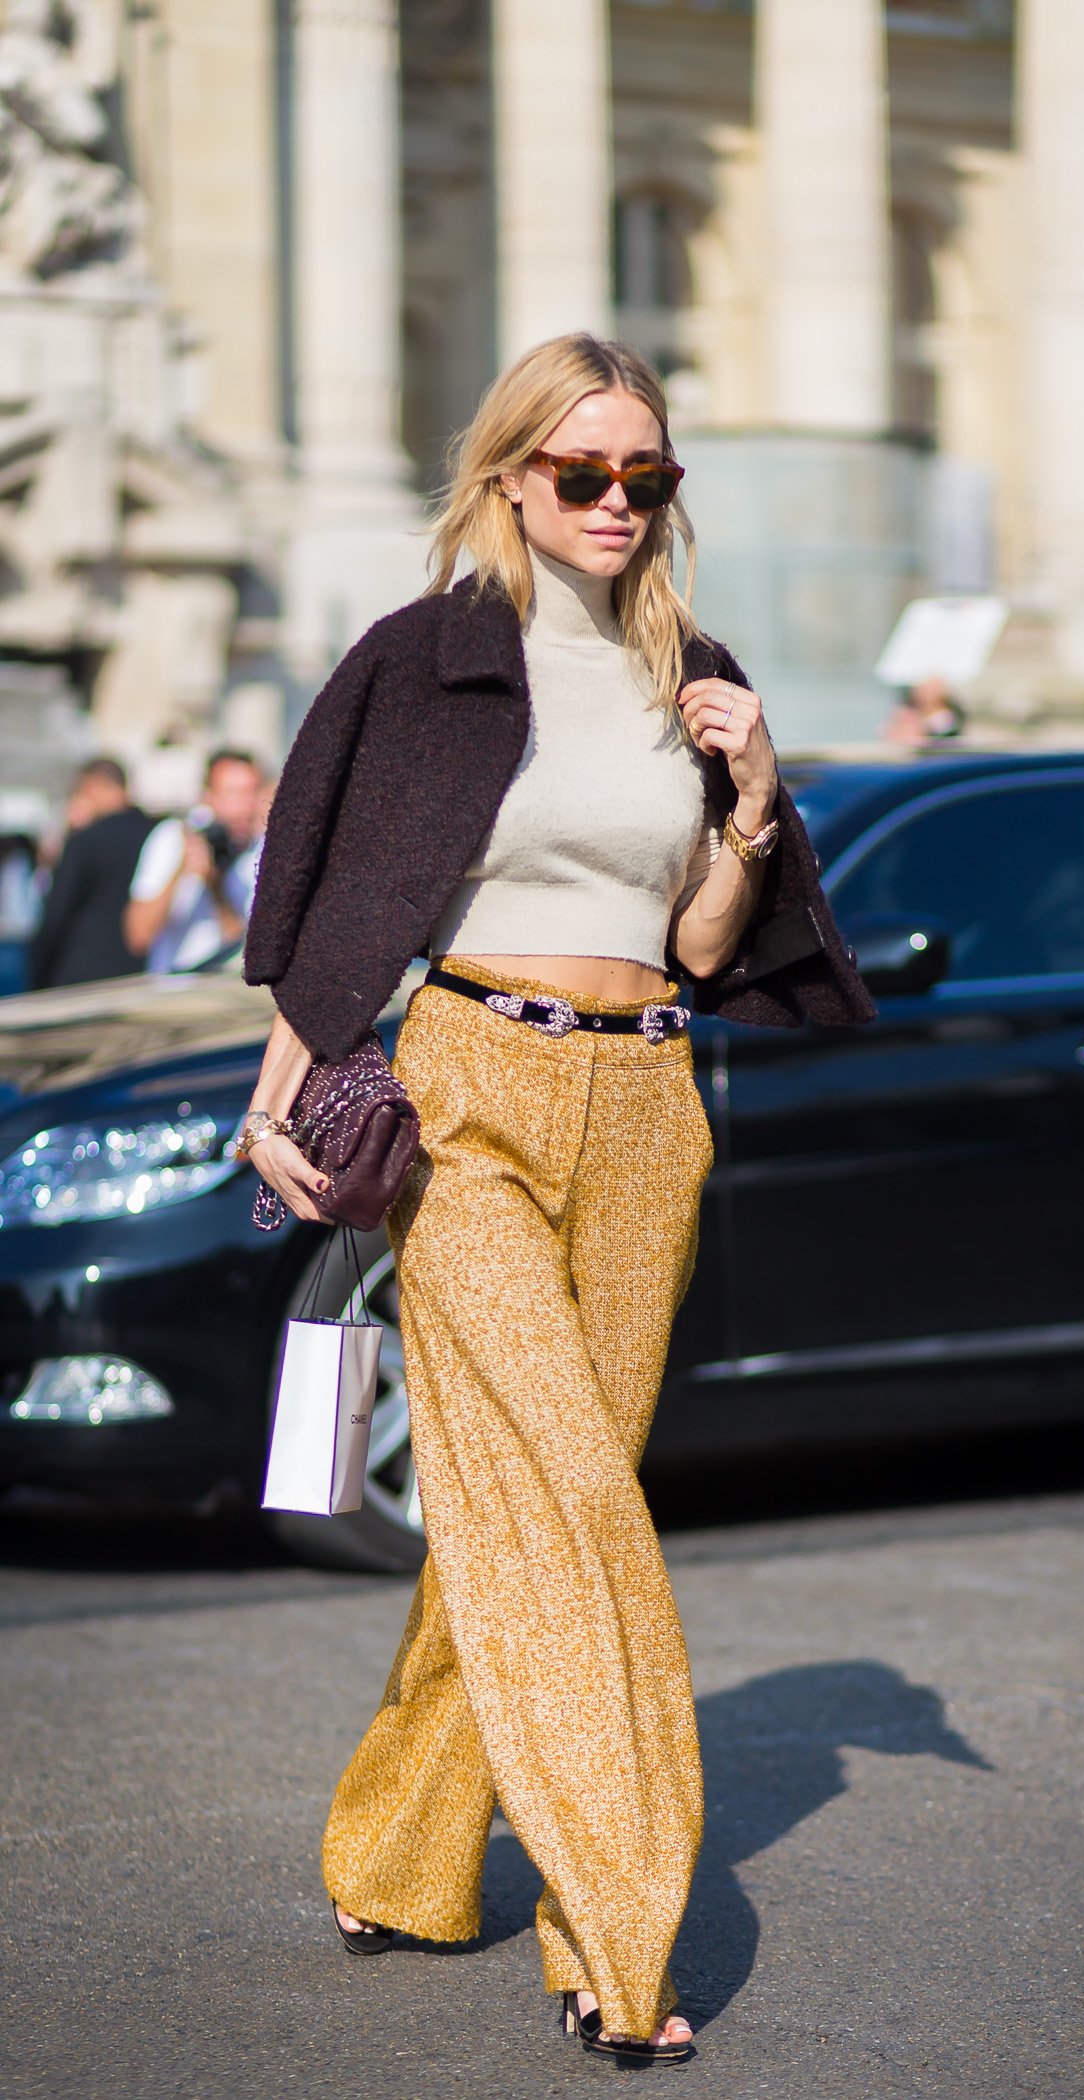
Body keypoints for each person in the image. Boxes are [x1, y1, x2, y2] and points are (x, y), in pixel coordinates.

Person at [238, 334, 874, 2065]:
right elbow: (338, 883)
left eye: (643, 477)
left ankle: (396, 1853)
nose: (612, 504)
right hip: (471, 1095)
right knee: (578, 1507)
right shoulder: (426, 660)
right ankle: (615, 1936)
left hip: (648, 1102)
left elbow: (695, 947)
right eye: (579, 472)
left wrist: (748, 800)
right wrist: (279, 1085)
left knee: (520, 1515)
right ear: (510, 473)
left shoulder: (696, 671)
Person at [124, 749, 263, 973]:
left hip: (234, 997)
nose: (246, 805)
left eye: (252, 792)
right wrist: (181, 869)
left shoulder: (262, 850)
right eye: (234, 793)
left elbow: (248, 949)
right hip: (175, 994)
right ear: (208, 797)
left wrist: (215, 887)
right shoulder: (175, 836)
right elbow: (139, 936)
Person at [28, 758, 154, 990]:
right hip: (140, 975)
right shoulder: (154, 836)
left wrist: (37, 971)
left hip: (80, 979)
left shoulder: (86, 840)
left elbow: (57, 914)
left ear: (95, 786)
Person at [882, 671, 965, 750]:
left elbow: (944, 737)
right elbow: (891, 733)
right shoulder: (907, 711)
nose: (928, 693)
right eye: (925, 688)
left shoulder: (949, 716)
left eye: (933, 688)